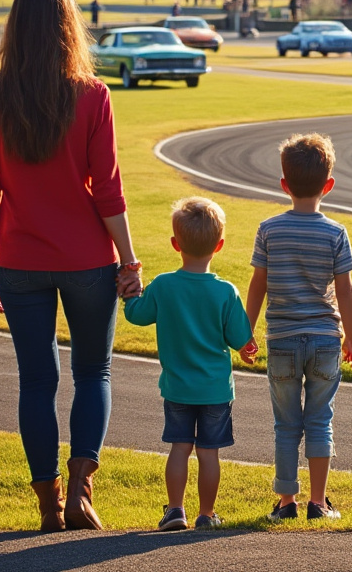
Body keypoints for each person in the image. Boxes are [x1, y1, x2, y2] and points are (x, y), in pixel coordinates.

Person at [0, 0, 143, 532]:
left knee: (36, 382)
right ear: (69, 27)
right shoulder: (92, 95)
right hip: (88, 259)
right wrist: (129, 260)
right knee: (93, 372)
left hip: (19, 259)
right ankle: (81, 494)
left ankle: (48, 502)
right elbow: (109, 190)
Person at [245, 133, 352, 522]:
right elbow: (345, 291)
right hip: (326, 339)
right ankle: (318, 502)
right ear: (329, 185)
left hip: (282, 340)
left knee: (286, 424)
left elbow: (258, 285)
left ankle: (285, 503)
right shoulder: (336, 233)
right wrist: (351, 338)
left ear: (284, 185)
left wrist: (246, 332)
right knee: (319, 419)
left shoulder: (269, 230)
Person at [123, 197, 256, 531]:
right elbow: (239, 337)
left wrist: (130, 294)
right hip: (215, 389)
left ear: (175, 244)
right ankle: (206, 514)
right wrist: (246, 348)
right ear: (219, 245)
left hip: (178, 387)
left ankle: (175, 510)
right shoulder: (226, 292)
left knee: (179, 448)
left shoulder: (164, 285)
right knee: (209, 453)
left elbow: (137, 315)